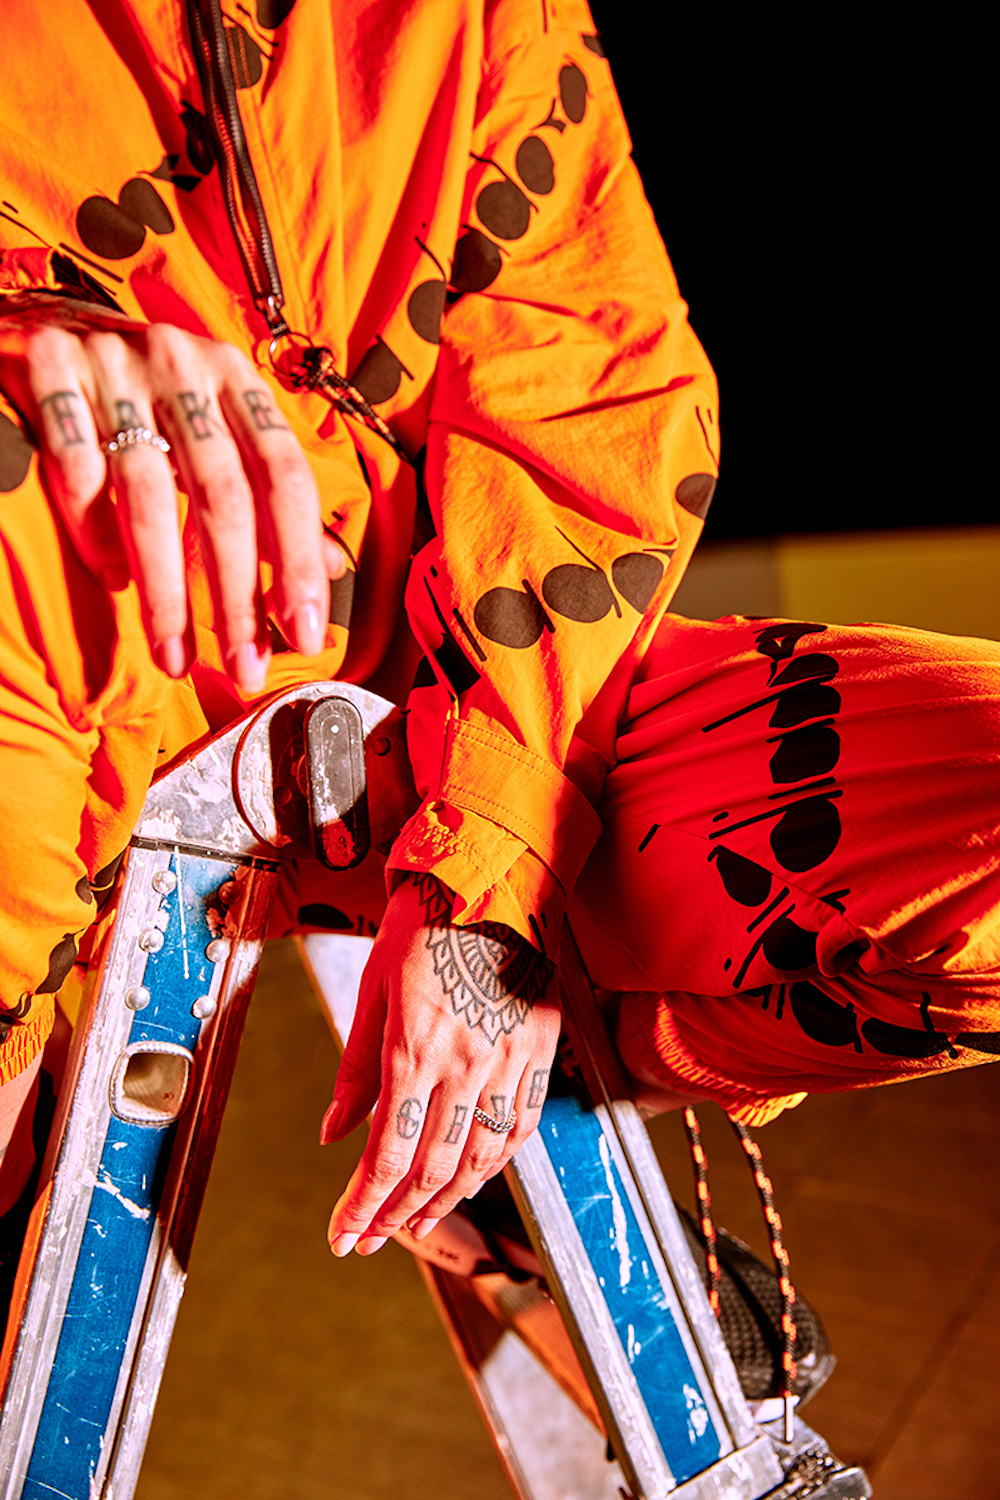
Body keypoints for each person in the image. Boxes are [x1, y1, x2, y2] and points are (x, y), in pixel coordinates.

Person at [1, 0, 998, 1276]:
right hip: (72, 674)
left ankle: (544, 1096)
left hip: (482, 694)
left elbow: (594, 394)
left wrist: (493, 877)